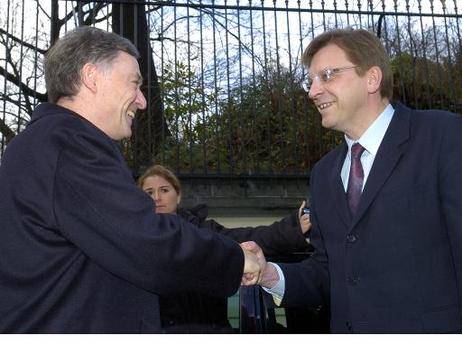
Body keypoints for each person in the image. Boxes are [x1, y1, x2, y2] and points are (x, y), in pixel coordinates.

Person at [0, 26, 261, 333]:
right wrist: (235, 259)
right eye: (134, 84)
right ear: (91, 77)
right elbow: (147, 242)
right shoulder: (68, 144)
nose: (142, 101)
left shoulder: (45, 143)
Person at [242, 27, 462, 333]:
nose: (312, 91)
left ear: (372, 78)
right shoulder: (324, 173)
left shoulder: (443, 137)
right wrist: (270, 275)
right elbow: (328, 272)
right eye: (311, 81)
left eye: (327, 75)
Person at [137, 164, 311, 332]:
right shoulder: (131, 241)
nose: (157, 198)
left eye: (164, 190)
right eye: (149, 192)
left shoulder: (204, 232)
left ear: (179, 195)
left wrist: (293, 228)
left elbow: (250, 239)